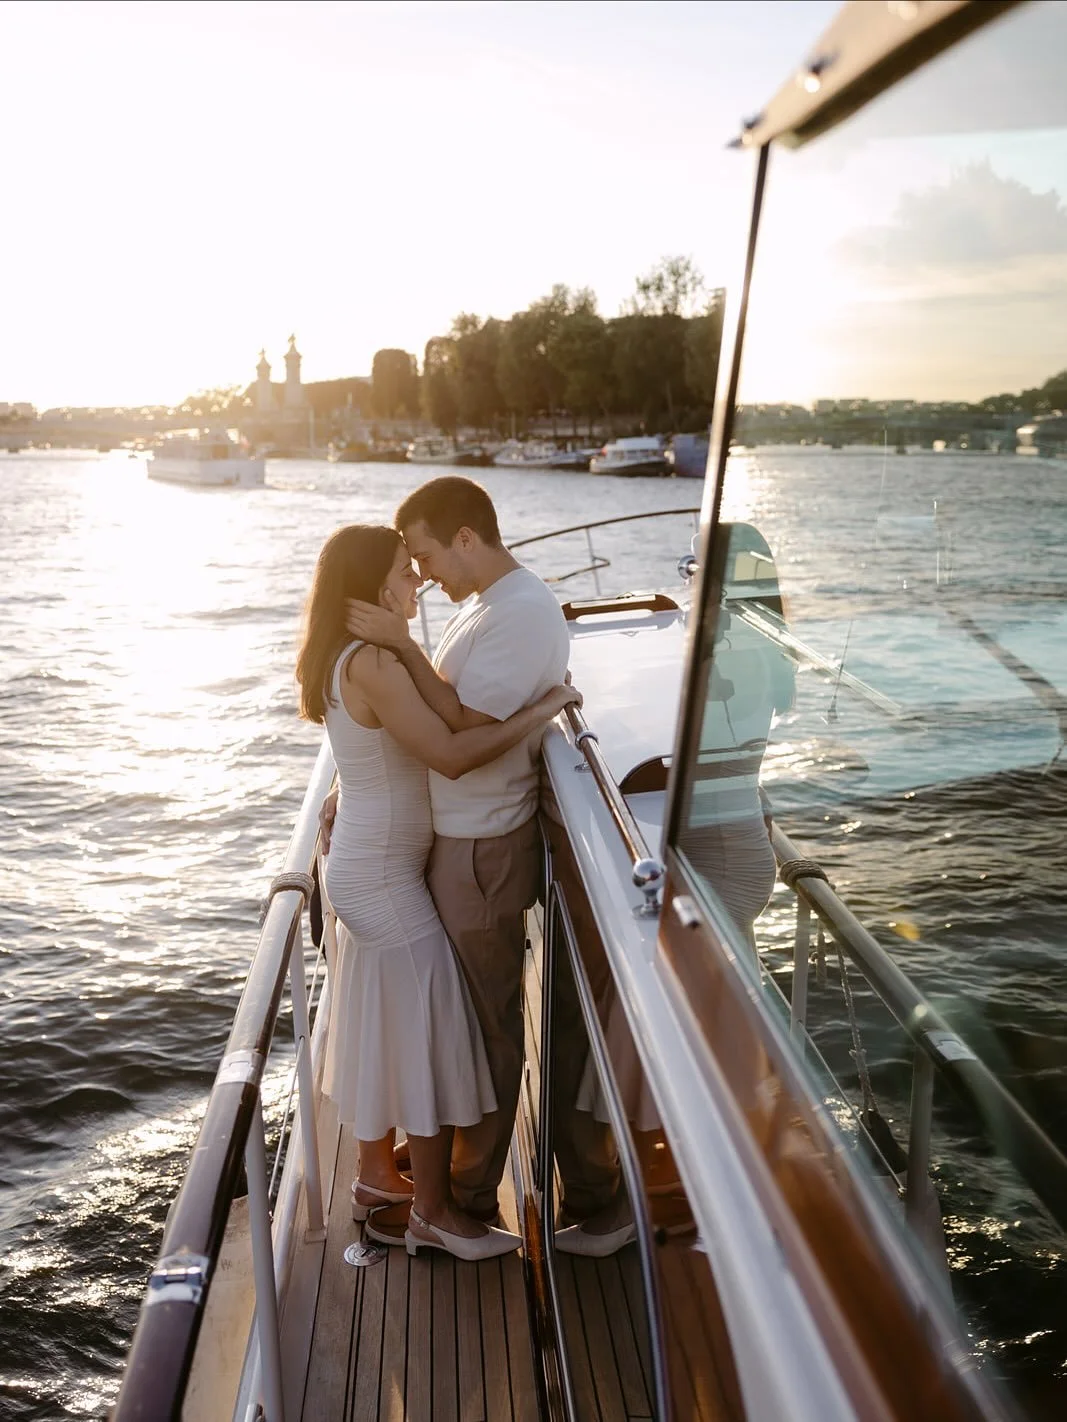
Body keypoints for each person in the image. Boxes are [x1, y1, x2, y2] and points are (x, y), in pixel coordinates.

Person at [297, 522, 579, 1260]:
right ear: (372, 586)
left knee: (379, 1017)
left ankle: (371, 1177)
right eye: (402, 570)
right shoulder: (374, 664)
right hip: (382, 879)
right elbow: (453, 753)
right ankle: (430, 1212)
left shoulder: (353, 656)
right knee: (428, 1028)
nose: (414, 581)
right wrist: (541, 710)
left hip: (367, 865)